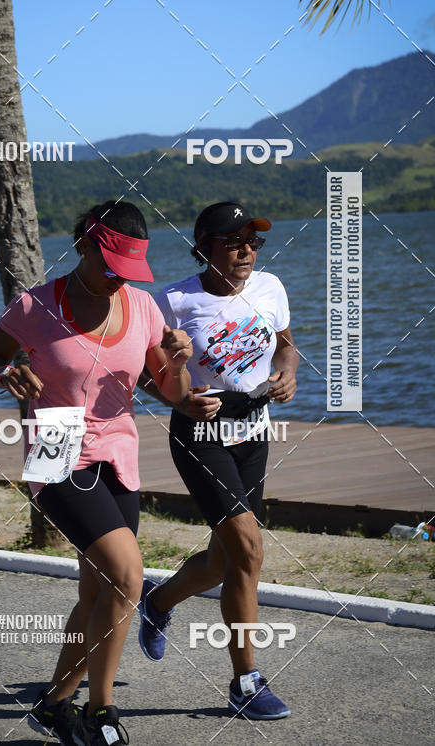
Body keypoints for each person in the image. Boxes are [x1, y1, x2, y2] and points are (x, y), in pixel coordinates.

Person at [0, 200, 192, 746]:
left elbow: (174, 394)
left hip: (120, 453)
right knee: (128, 576)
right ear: (84, 246)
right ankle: (101, 711)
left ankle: (52, 703)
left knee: (98, 592)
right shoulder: (36, 306)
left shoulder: (143, 307)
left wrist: (177, 361)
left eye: (128, 269)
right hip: (57, 449)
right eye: (110, 265)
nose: (118, 277)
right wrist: (8, 375)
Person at [137, 201, 299, 721]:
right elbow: (139, 370)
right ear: (204, 246)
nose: (247, 250)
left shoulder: (270, 288)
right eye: (234, 241)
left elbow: (286, 345)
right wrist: (177, 399)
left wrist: (288, 372)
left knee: (225, 560)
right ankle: (245, 681)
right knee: (249, 550)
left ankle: (158, 601)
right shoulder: (173, 301)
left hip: (254, 431)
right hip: (201, 434)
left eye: (253, 241)